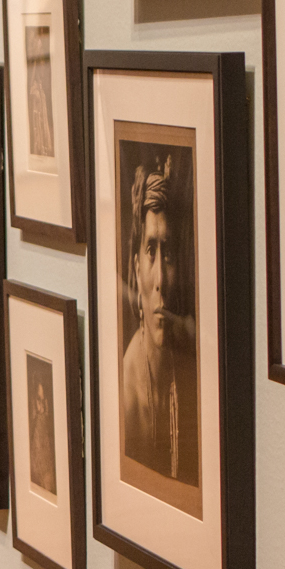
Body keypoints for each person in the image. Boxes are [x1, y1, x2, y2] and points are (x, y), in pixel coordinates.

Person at [118, 150, 200, 485]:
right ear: (136, 269)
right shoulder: (127, 389)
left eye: (168, 255)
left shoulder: (190, 363)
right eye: (151, 251)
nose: (160, 280)